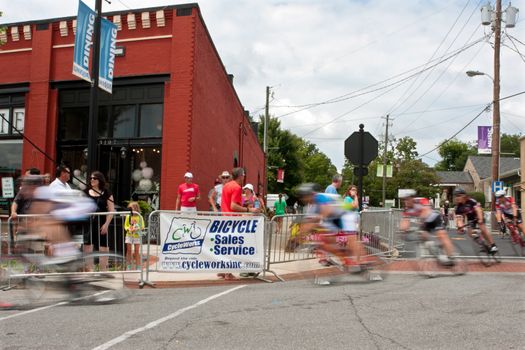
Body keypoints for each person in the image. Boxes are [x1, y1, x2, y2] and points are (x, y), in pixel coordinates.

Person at [296, 183, 371, 266]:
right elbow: (307, 222)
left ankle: (364, 260)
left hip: (345, 214)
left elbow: (327, 211)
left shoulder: (319, 197)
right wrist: (299, 235)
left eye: (304, 197)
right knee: (326, 242)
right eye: (302, 197)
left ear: (310, 195)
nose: (304, 199)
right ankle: (345, 258)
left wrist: (314, 223)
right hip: (333, 218)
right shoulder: (312, 205)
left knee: (351, 238)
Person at [219, 168, 260, 280]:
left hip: (224, 219)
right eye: (244, 175)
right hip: (232, 220)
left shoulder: (226, 185)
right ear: (240, 176)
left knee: (225, 246)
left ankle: (223, 270)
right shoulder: (236, 187)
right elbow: (233, 206)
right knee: (232, 247)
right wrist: (249, 210)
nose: (244, 177)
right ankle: (227, 273)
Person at [399, 189, 456, 265]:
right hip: (425, 223)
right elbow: (405, 221)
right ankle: (436, 253)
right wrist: (403, 231)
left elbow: (426, 211)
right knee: (423, 237)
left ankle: (451, 257)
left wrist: (421, 223)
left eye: (407, 199)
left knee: (442, 235)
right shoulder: (406, 209)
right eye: (404, 200)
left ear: (412, 198)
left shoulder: (421, 200)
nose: (405, 202)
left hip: (435, 219)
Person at [84, 171, 115, 271]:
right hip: (88, 223)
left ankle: (103, 271)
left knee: (103, 247)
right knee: (88, 247)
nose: (92, 180)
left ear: (99, 180)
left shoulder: (106, 193)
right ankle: (90, 271)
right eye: (91, 178)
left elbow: (111, 210)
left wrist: (106, 224)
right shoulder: (85, 192)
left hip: (102, 222)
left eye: (94, 178)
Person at [453, 188, 498, 253]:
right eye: (456, 196)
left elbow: (478, 210)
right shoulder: (458, 207)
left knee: (482, 229)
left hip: (478, 215)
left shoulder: (471, 201)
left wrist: (480, 219)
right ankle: (483, 245)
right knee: (470, 233)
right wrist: (460, 227)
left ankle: (493, 245)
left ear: (464, 196)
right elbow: (459, 219)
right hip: (471, 219)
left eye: (458, 195)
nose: (457, 197)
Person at [124, 201, 144, 270]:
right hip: (129, 235)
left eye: (131, 208)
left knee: (136, 251)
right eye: (129, 208)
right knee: (129, 250)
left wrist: (137, 228)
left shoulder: (140, 217)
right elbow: (125, 226)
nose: (130, 210)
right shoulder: (128, 216)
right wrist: (128, 229)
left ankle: (138, 266)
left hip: (137, 236)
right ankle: (128, 265)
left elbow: (143, 226)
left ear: (136, 208)